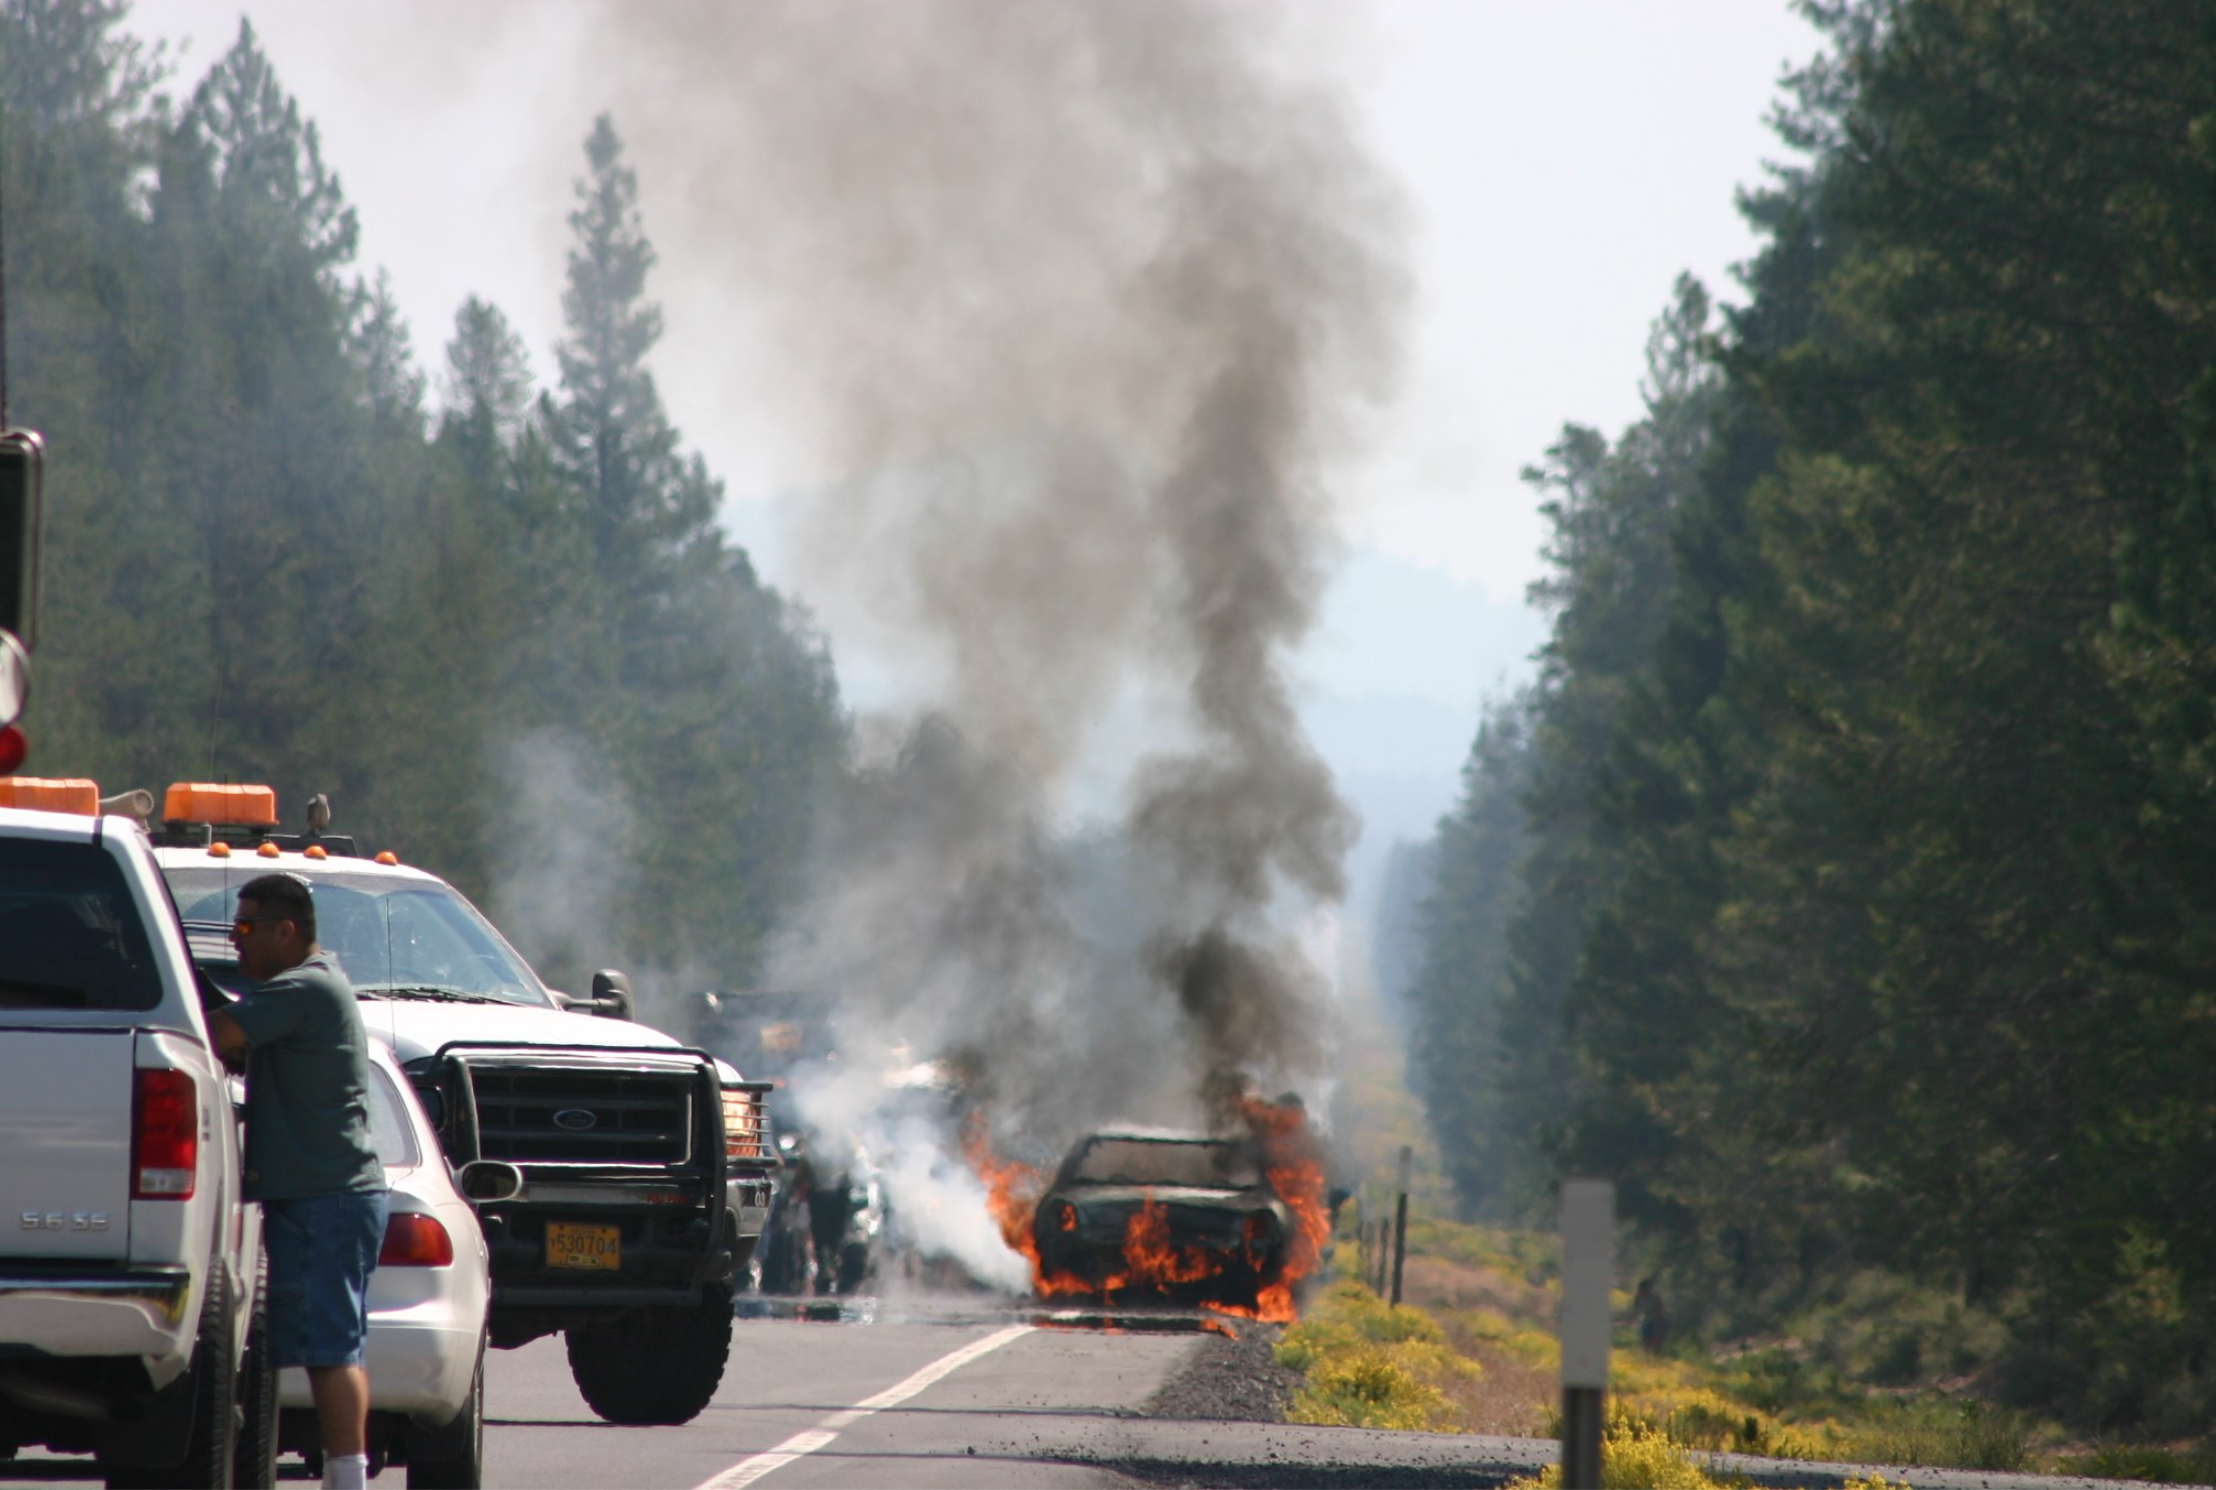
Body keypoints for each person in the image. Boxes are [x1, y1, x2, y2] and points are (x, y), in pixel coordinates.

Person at [208, 872, 388, 1490]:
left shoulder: (301, 989)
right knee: (332, 1348)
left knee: (329, 1353)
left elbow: (217, 1036)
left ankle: (347, 1480)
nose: (236, 939)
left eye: (247, 928)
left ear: (287, 931)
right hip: (331, 1195)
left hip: (324, 1199)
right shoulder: (312, 985)